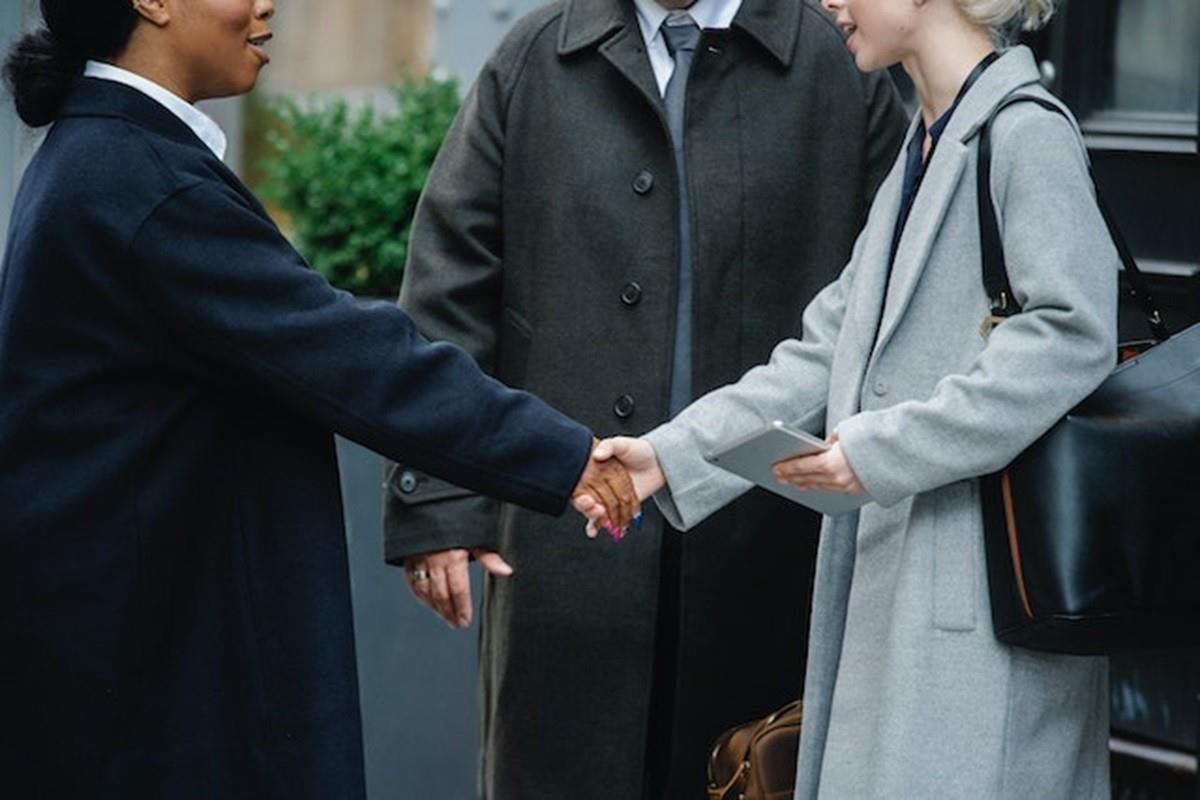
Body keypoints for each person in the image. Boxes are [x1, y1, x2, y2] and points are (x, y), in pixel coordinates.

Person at [0, 1, 637, 797]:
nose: (267, 5)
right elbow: (355, 356)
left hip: (125, 674)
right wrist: (567, 456)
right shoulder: (136, 180)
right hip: (157, 694)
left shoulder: (99, 157)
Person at [586, 0, 1118, 796]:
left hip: (983, 614)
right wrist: (666, 457)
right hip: (911, 600)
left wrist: (878, 451)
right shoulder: (926, 143)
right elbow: (825, 353)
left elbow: (1071, 336)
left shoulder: (1025, 132)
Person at [381, 0, 906, 797]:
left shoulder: (840, 64)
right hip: (564, 563)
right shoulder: (538, 54)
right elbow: (448, 294)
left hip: (771, 560)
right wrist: (437, 500)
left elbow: (894, 309)